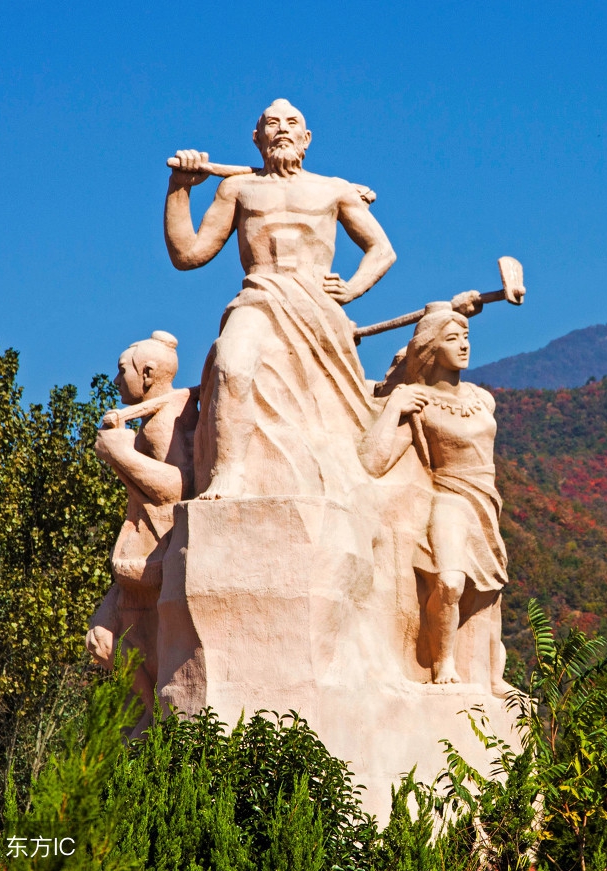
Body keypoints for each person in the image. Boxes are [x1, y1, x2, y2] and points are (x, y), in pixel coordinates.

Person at [164, 99, 396, 499]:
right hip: (260, 297)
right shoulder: (238, 188)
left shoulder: (334, 189)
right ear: (257, 138)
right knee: (230, 364)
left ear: (307, 139)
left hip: (318, 306)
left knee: (328, 409)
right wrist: (179, 188)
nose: (283, 129)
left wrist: (352, 288)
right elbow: (188, 255)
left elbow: (382, 250)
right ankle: (229, 472)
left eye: (292, 122)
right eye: (273, 123)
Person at [359, 303, 512, 693]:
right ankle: (441, 662)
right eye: (452, 338)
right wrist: (393, 407)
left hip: (486, 501)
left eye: (466, 337)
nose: (463, 345)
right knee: (449, 581)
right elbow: (373, 462)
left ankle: (491, 674)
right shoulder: (419, 403)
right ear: (430, 347)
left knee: (488, 591)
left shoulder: (483, 398)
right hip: (448, 499)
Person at [88, 331, 198, 734]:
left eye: (124, 371)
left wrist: (119, 453)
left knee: (106, 641)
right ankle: (150, 713)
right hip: (137, 564)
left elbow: (178, 485)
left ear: (148, 373)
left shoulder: (163, 422)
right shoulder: (154, 418)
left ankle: (153, 718)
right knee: (100, 641)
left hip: (155, 557)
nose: (117, 380)